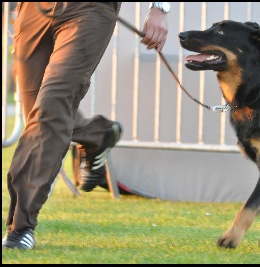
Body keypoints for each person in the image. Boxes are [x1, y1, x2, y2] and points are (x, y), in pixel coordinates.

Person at [2, 2, 170, 250]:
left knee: (51, 108)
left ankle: (20, 227)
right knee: (38, 113)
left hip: (90, 9)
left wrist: (159, 8)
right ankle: (97, 134)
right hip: (32, 9)